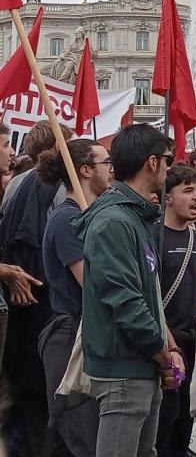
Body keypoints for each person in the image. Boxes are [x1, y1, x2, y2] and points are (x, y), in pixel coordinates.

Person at [76, 124, 185, 457]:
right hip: (124, 369)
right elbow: (126, 302)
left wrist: (167, 343)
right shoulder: (114, 222)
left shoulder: (132, 217)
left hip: (140, 365)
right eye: (168, 159)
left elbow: (147, 290)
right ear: (151, 162)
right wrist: (165, 358)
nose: (170, 166)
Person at [0, 121, 74, 457]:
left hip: (21, 297)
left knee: (24, 385)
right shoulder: (59, 189)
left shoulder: (14, 184)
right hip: (45, 298)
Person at [37, 139, 111, 457]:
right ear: (85, 170)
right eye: (105, 162)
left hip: (88, 332)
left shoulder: (88, 215)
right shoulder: (68, 220)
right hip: (71, 336)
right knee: (83, 434)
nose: (111, 169)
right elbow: (92, 284)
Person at [155, 166, 196, 457]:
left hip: (194, 345)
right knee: (163, 424)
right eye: (187, 190)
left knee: (185, 423)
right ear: (167, 197)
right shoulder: (152, 237)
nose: (195, 197)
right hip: (163, 347)